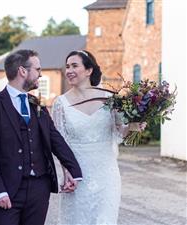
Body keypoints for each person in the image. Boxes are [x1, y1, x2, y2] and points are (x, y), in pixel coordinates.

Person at [0, 49, 82, 225]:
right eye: (38, 70)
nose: (40, 75)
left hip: (39, 190)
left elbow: (54, 137)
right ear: (22, 71)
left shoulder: (36, 104)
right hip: (8, 190)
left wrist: (73, 170)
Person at [51, 50, 146, 225]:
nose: (69, 70)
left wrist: (134, 125)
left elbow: (120, 132)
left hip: (106, 176)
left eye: (74, 65)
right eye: (67, 66)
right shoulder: (60, 104)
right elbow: (59, 145)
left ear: (89, 71)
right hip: (77, 176)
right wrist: (67, 174)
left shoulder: (109, 99)